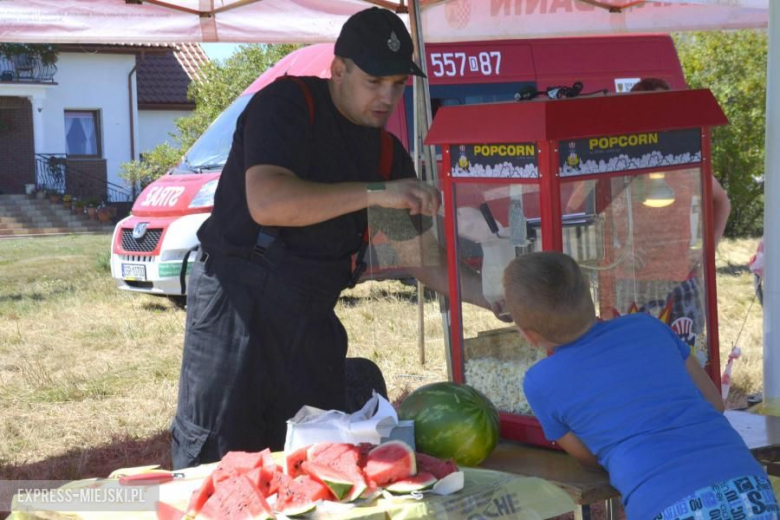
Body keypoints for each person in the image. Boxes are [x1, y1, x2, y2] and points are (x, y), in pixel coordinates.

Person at [171, 7, 490, 469]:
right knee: (219, 452)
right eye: (374, 82)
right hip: (236, 305)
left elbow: (423, 257)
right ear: (338, 70)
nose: (387, 97)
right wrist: (380, 193)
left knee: (314, 449)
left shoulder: (386, 155)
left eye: (398, 84)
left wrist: (492, 295)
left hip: (310, 314)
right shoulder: (286, 105)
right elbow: (269, 202)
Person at [503, 251, 778, 520]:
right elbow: (715, 404)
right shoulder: (648, 326)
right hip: (747, 486)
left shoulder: (540, 382)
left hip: (664, 504)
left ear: (528, 335)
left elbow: (589, 459)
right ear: (590, 293)